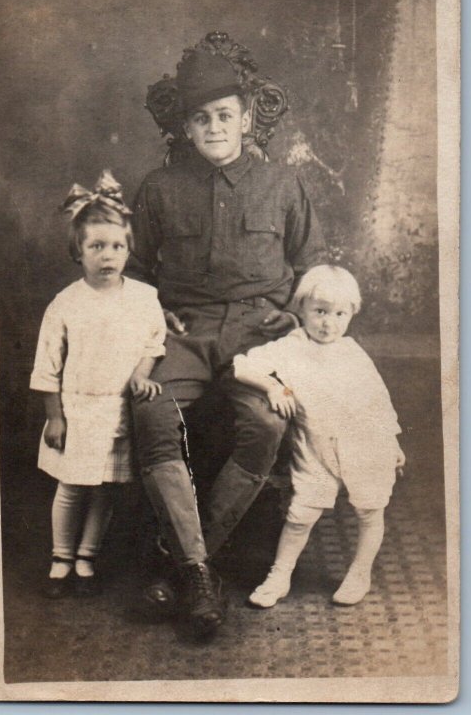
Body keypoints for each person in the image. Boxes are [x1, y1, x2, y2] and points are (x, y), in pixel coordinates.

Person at [126, 33, 327, 634]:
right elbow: (135, 273)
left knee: (266, 423)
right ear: (184, 128)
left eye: (223, 115)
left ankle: (189, 565)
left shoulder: (283, 186)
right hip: (182, 334)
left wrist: (296, 320)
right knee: (151, 415)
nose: (213, 127)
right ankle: (199, 569)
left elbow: (315, 268)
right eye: (200, 118)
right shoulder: (158, 189)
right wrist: (151, 315)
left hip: (259, 337)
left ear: (245, 119)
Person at [232, 265, 406, 608]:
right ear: (301, 309)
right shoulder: (290, 347)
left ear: (352, 314)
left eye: (340, 314)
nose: (329, 323)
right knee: (301, 515)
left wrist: (393, 441)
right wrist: (273, 386)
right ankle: (280, 575)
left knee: (370, 511)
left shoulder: (352, 352)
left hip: (365, 444)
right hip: (316, 447)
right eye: (320, 312)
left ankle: (360, 572)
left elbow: (378, 402)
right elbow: (242, 364)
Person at [30, 172, 166, 599]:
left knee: (106, 486)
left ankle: (87, 555)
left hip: (119, 409)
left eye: (117, 246)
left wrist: (142, 373)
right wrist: (55, 416)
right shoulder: (67, 302)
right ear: (78, 251)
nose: (108, 256)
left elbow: (154, 341)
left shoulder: (144, 297)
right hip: (78, 410)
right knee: (72, 487)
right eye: (96, 247)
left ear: (129, 249)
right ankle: (61, 557)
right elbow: (47, 366)